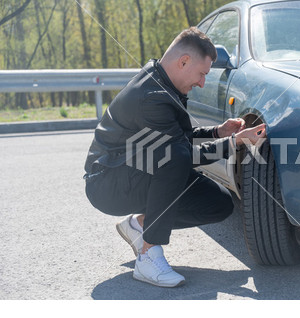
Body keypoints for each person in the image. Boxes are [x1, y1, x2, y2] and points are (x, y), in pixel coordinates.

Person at [84, 27, 266, 288]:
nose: (202, 82)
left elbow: (177, 137)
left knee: (219, 203)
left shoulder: (160, 81)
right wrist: (234, 143)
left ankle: (139, 225)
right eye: (202, 74)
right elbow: (180, 154)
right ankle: (148, 255)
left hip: (132, 168)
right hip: (108, 182)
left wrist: (217, 131)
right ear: (183, 62)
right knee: (176, 159)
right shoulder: (151, 97)